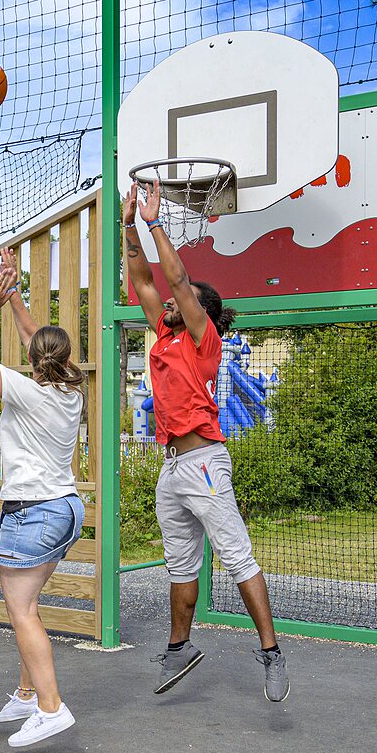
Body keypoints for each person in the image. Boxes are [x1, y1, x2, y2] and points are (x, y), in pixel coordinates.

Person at [123, 180, 288, 702]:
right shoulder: (167, 335)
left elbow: (173, 278)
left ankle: (271, 651)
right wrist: (128, 225)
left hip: (205, 462)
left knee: (237, 557)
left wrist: (154, 223)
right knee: (180, 564)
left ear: (198, 311)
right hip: (172, 468)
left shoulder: (203, 338)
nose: (169, 302)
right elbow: (142, 278)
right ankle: (180, 647)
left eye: (182, 300)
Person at [0, 248, 84, 747]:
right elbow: (36, 342)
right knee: (28, 605)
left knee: (21, 612)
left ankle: (51, 707)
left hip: (34, 512)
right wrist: (16, 295)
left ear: (37, 362)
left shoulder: (29, 391)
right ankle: (25, 692)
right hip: (65, 508)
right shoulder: (70, 392)